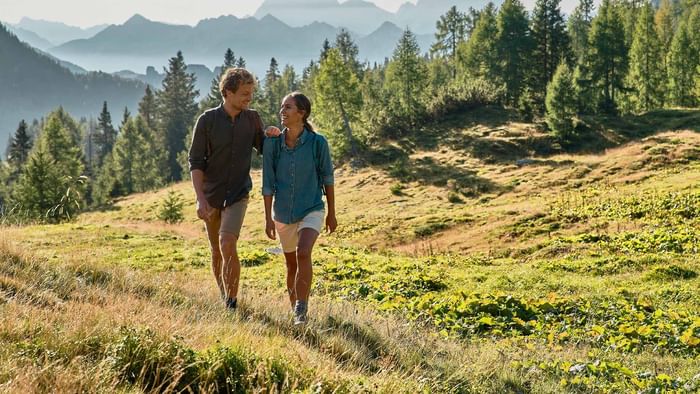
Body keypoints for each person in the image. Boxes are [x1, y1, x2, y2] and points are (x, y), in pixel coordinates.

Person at [188, 67, 280, 310]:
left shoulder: (252, 118)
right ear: (228, 92)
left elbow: (265, 148)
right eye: (244, 94)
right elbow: (196, 163)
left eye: (251, 93)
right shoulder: (207, 121)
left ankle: (232, 302)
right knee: (216, 250)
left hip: (238, 193)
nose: (249, 98)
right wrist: (200, 199)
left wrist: (271, 135)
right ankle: (223, 293)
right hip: (211, 195)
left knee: (227, 242)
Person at [262, 92, 337, 325]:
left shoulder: (318, 143)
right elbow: (267, 183)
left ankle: (301, 310)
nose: (282, 112)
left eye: (289, 108)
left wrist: (332, 213)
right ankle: (296, 314)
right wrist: (267, 218)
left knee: (303, 252)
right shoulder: (273, 144)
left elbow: (328, 178)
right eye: (282, 107)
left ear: (302, 113)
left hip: (312, 208)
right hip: (283, 213)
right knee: (291, 264)